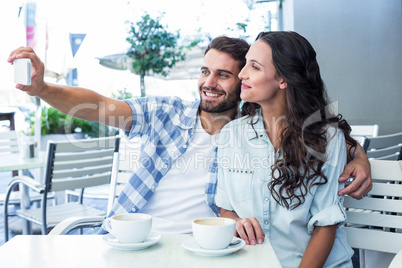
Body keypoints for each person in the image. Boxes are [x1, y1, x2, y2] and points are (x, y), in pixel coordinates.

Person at [8, 36, 371, 235]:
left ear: (244, 78)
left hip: (204, 246)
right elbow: (100, 104)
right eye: (204, 72)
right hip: (132, 236)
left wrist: (358, 155)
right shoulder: (167, 113)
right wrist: (42, 89)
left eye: (223, 75)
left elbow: (318, 131)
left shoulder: (253, 130)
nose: (208, 83)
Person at [216, 31, 355, 267]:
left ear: (283, 80)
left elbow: (326, 224)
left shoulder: (327, 138)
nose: (242, 74)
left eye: (255, 67)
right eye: (245, 64)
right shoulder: (231, 134)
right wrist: (236, 223)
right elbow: (226, 210)